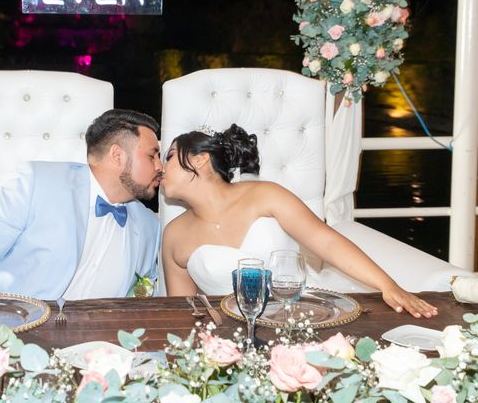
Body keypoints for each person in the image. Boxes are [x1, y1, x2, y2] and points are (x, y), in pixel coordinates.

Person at [161, 124, 438, 318]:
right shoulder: (174, 235)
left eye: (169, 156)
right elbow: (183, 312)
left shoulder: (266, 194)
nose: (160, 168)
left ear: (199, 160)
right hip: (231, 340)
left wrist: (388, 285)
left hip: (306, 316)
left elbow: (326, 241)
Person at [0, 109, 163, 300]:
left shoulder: (149, 227)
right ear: (117, 155)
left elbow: (141, 301)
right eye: (152, 156)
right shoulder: (38, 183)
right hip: (20, 332)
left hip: (103, 343)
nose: (160, 166)